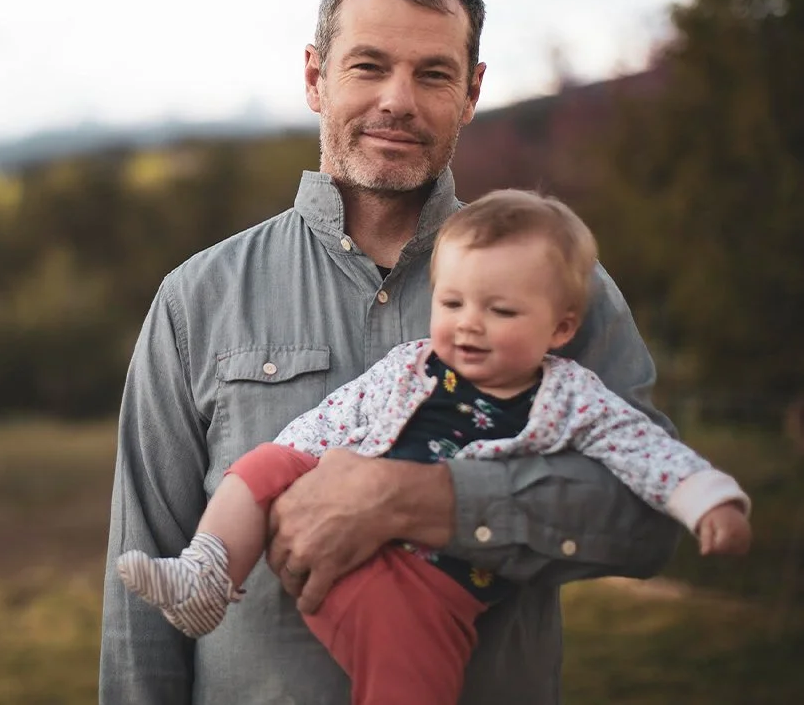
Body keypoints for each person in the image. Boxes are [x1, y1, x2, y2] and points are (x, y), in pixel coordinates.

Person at [100, 0, 682, 705]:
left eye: (432, 73)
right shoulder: (197, 300)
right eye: (368, 65)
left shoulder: (560, 289)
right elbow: (141, 603)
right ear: (316, 76)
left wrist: (424, 501)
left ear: (471, 93)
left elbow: (647, 517)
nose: (397, 101)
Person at [115, 190, 751, 705]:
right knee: (262, 461)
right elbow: (329, 421)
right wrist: (293, 473)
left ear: (561, 327)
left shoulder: (570, 393)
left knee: (409, 663)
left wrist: (709, 500)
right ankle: (206, 572)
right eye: (450, 304)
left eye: (500, 312)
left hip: (428, 587)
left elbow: (643, 456)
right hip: (281, 612)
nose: (468, 323)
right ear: (317, 75)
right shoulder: (402, 362)